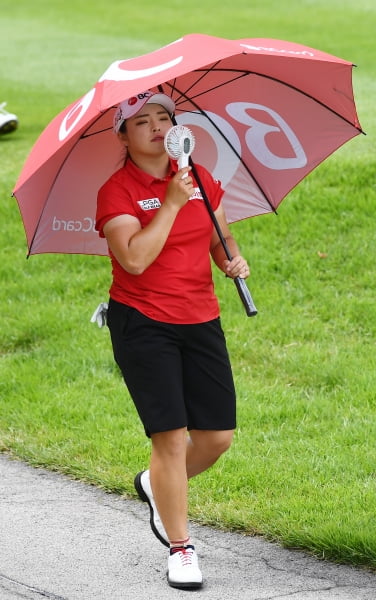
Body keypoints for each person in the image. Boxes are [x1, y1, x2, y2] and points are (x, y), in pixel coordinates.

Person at [95, 90, 251, 590]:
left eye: (165, 118)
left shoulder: (200, 178)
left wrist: (231, 259)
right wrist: (170, 203)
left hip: (200, 316)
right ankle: (181, 549)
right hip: (143, 322)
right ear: (123, 135)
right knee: (169, 436)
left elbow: (218, 236)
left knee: (216, 437)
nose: (158, 128)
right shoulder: (116, 191)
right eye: (142, 122)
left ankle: (154, 486)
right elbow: (135, 259)